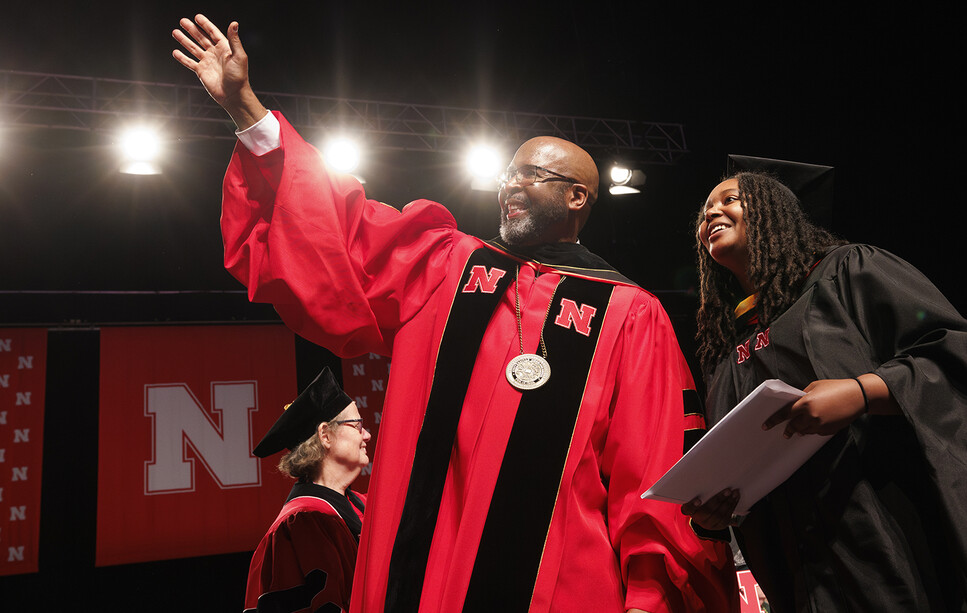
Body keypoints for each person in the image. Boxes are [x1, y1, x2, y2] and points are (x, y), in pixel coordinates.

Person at [172, 14, 736, 613]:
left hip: (565, 588)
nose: (508, 186)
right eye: (506, 174)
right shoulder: (446, 263)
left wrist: (649, 601)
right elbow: (337, 232)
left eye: (531, 175)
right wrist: (248, 113)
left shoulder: (632, 315)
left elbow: (649, 479)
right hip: (422, 580)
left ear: (578, 197)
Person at [681, 172, 967, 611]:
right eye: (706, 210)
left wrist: (863, 392)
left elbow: (955, 355)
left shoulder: (847, 271)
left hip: (899, 537)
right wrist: (720, 513)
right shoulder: (724, 351)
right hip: (810, 572)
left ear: (772, 213)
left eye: (730, 199)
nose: (711, 212)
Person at [246, 366, 371, 613]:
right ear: (325, 435)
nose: (366, 435)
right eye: (357, 425)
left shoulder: (363, 505)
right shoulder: (302, 523)